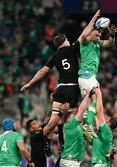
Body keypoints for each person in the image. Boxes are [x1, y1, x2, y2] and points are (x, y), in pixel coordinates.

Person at [20, 10, 101, 138]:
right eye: (67, 40)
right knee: (71, 119)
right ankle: (71, 141)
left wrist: (29, 83)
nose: (69, 41)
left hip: (61, 88)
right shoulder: (72, 49)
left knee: (53, 120)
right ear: (64, 42)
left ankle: (41, 139)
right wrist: (94, 19)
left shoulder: (54, 56)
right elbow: (84, 32)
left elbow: (42, 72)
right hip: (72, 88)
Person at [78, 14, 117, 96]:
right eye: (96, 35)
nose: (99, 37)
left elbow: (109, 43)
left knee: (91, 101)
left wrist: (112, 35)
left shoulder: (98, 43)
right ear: (91, 34)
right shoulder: (85, 42)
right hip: (86, 74)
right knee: (97, 96)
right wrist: (94, 26)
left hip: (90, 75)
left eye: (100, 35)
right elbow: (83, 36)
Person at [59, 89, 91, 167]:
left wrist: (90, 99)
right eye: (73, 114)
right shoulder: (70, 125)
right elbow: (81, 110)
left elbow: (85, 111)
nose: (75, 114)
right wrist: (87, 94)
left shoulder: (76, 126)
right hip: (70, 161)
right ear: (68, 118)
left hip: (72, 161)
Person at [91, 87, 117, 167]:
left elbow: (99, 113)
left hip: (100, 165)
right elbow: (97, 123)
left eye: (107, 119)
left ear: (109, 123)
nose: (105, 119)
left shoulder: (106, 130)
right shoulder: (106, 133)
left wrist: (99, 95)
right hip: (104, 165)